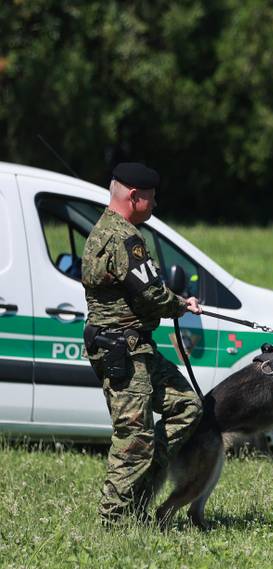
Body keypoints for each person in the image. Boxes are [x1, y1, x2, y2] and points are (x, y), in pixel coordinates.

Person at [81, 162, 203, 525]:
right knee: (133, 439)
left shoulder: (104, 229)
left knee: (187, 407)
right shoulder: (125, 239)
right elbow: (151, 293)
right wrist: (182, 304)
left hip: (137, 348)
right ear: (135, 197)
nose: (154, 205)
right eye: (151, 198)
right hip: (123, 350)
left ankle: (141, 493)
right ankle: (114, 522)